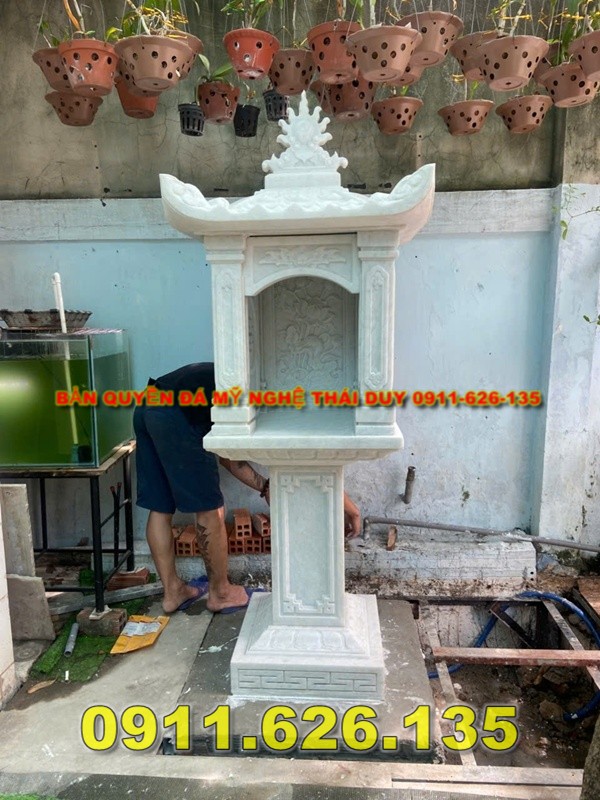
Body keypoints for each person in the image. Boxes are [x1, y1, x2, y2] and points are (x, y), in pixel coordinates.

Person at [134, 362, 362, 613]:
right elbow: (307, 456)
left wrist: (265, 487)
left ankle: (172, 592)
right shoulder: (266, 398)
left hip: (148, 403)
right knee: (210, 510)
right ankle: (221, 593)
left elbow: (231, 459)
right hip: (177, 415)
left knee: (160, 507)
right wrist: (351, 508)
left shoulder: (245, 380)